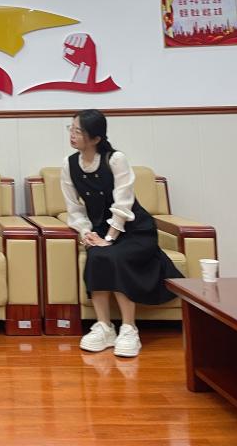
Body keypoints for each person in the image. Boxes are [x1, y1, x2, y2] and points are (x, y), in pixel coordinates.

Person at [60, 109, 182, 358]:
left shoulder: (115, 159)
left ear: (95, 138)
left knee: (115, 257)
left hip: (135, 230)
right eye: (71, 128)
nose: (72, 134)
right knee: (96, 257)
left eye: (78, 131)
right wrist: (86, 232)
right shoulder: (69, 164)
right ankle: (104, 327)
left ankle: (129, 328)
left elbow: (124, 203)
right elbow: (74, 208)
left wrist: (109, 239)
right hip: (100, 230)